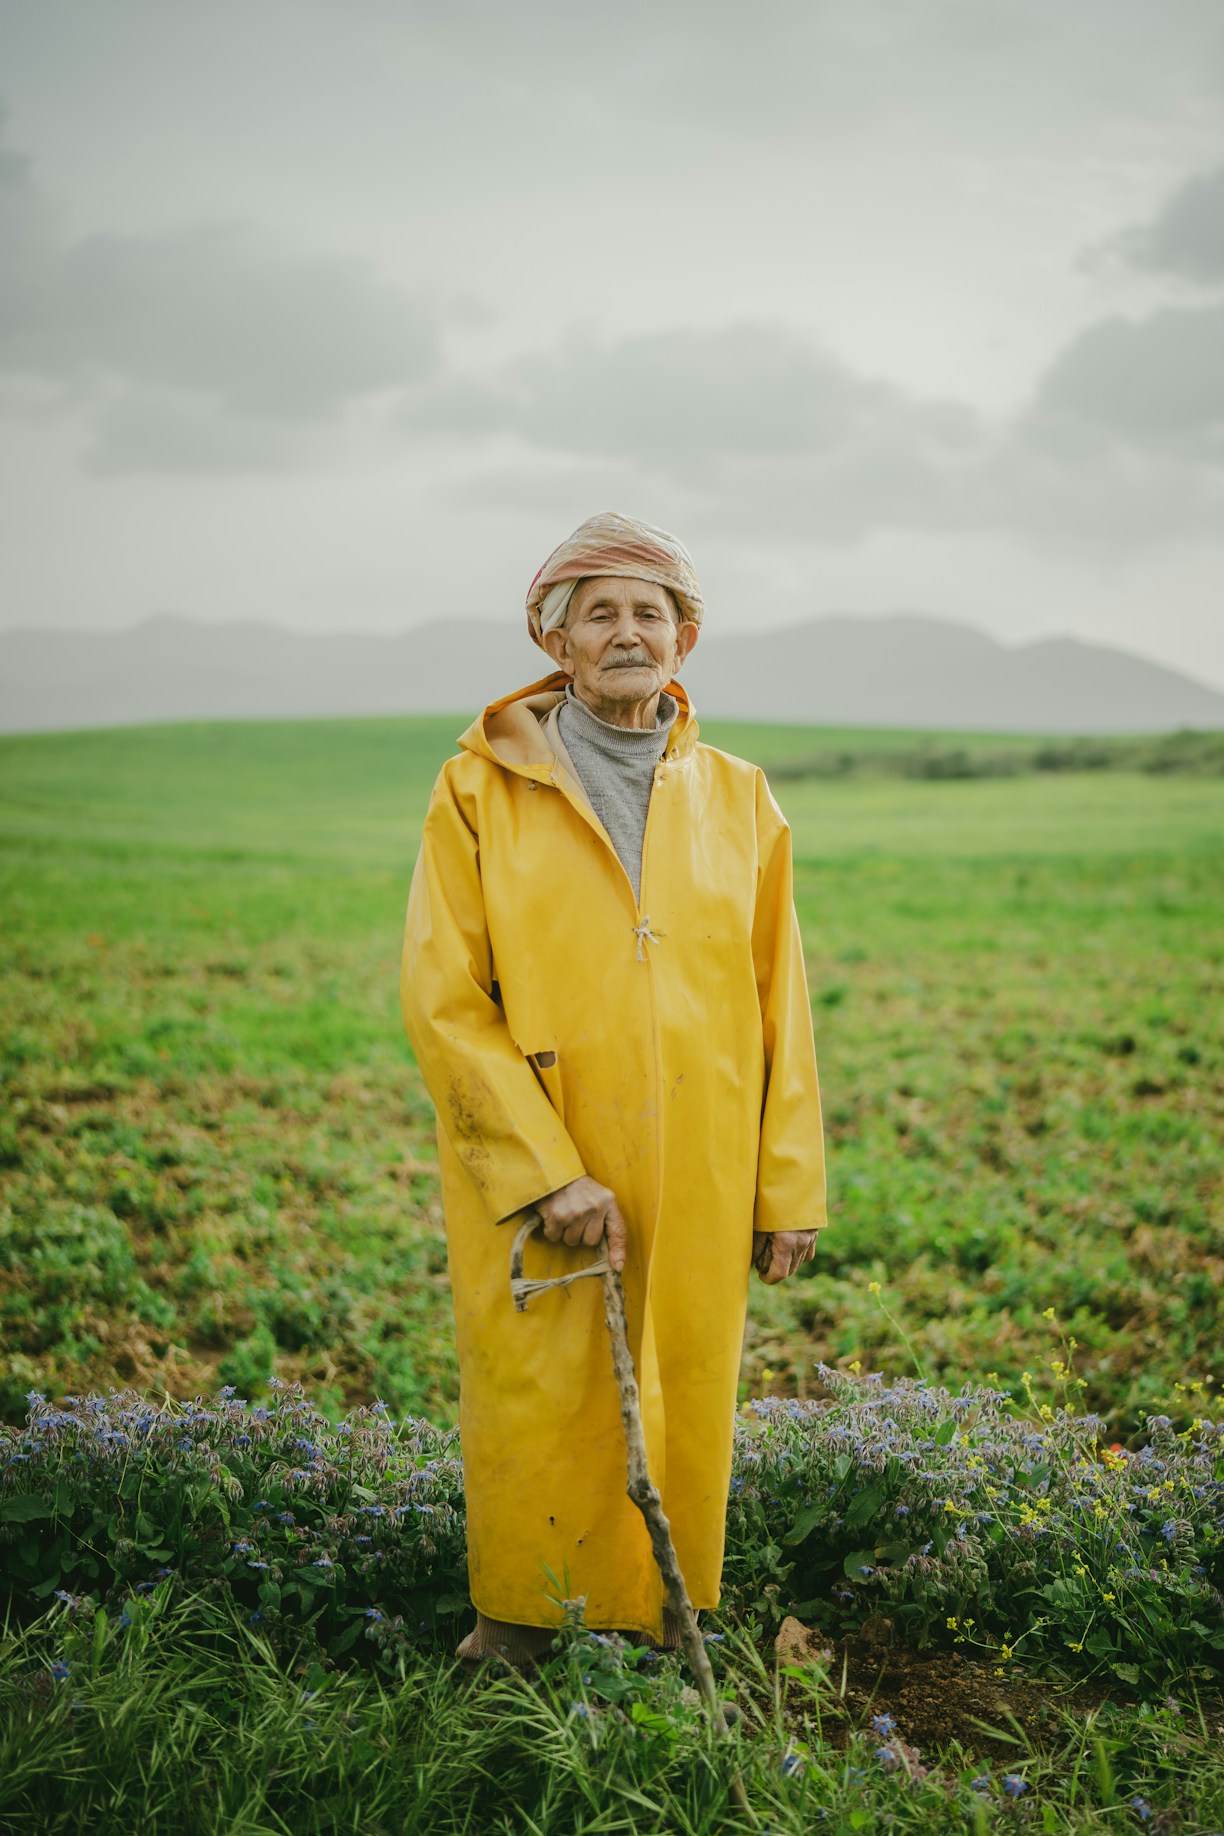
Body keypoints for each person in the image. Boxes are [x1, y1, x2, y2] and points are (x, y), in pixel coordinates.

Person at [400, 510, 826, 1665]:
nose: (628, 632)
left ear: (684, 642)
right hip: (553, 1155)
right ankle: (515, 1638)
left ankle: (656, 1627)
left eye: (651, 612)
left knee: (681, 1392)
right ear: (558, 640)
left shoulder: (742, 797)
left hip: (703, 1153)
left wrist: (785, 1185)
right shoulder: (480, 790)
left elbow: (778, 990)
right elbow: (446, 998)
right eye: (601, 613)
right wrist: (546, 1171)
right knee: (543, 1395)